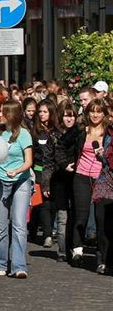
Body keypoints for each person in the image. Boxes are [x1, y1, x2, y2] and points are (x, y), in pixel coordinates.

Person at [0, 100, 34, 278]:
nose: (0, 115)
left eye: (4, 112)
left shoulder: (24, 135)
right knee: (0, 225)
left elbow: (29, 161)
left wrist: (17, 170)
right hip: (1, 180)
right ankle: (1, 262)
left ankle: (19, 266)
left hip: (20, 181)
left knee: (19, 225)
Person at [69, 98, 108, 270]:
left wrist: (105, 154)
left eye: (99, 111)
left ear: (104, 114)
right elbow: (62, 145)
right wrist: (66, 163)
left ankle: (102, 258)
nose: (95, 114)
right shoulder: (80, 131)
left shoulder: (109, 134)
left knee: (101, 219)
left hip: (102, 179)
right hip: (82, 176)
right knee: (81, 215)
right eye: (92, 111)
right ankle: (77, 251)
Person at [52, 102, 78, 261]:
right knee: (62, 217)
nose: (69, 119)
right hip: (59, 178)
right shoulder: (55, 134)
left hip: (75, 177)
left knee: (75, 215)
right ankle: (62, 250)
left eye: (72, 115)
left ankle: (74, 248)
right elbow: (51, 157)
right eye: (66, 115)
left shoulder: (79, 133)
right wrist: (63, 165)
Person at [32, 100, 60, 249]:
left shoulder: (56, 131)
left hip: (53, 172)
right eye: (40, 112)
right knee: (42, 203)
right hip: (38, 170)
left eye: (45, 112)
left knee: (52, 203)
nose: (42, 115)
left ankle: (50, 230)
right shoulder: (34, 130)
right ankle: (48, 234)